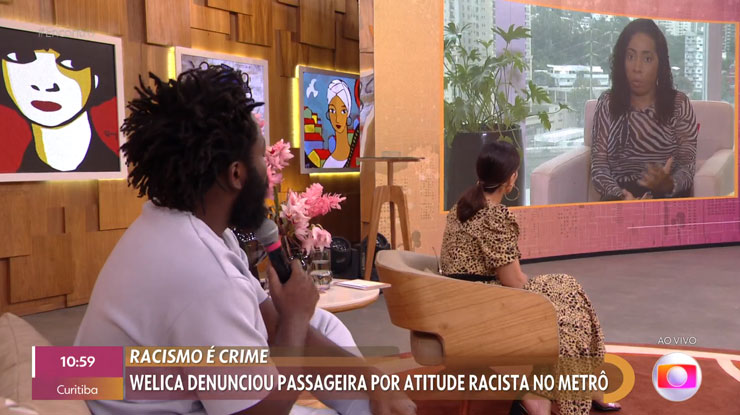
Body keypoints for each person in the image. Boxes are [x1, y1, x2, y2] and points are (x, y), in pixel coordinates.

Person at [74, 66, 415, 415]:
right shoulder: (205, 276)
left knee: (325, 327)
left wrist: (373, 380)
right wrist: (296, 318)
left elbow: (272, 324)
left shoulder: (186, 227)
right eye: (261, 158)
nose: (268, 173)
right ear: (236, 174)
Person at [440, 141, 621, 415]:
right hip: (484, 303)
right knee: (568, 307)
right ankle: (560, 393)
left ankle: (555, 392)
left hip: (465, 298)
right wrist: (547, 292)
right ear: (511, 179)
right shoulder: (494, 215)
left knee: (568, 289)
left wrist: (549, 288)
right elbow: (513, 281)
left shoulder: (462, 206)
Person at [591, 18, 697, 201]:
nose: (637, 68)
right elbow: (599, 168)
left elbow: (687, 167)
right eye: (630, 57)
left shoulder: (679, 104)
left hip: (666, 196)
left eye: (647, 59)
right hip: (619, 197)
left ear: (660, 63)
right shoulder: (607, 102)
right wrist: (622, 196)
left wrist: (668, 184)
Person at [0, 26, 120, 173]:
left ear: (95, 79)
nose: (44, 84)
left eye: (71, 64)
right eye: (22, 57)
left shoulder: (111, 161)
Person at [323, 79, 355, 168]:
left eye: (343, 111)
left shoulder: (356, 157)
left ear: (348, 113)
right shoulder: (328, 165)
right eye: (332, 110)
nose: (337, 119)